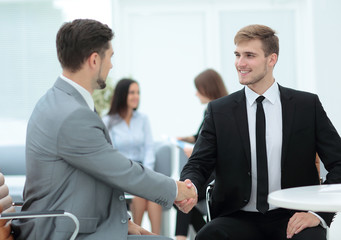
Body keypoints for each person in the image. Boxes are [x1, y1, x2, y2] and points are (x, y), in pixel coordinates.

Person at [11, 19, 196, 240]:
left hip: (77, 221)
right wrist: (177, 190)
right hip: (65, 231)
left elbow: (90, 174)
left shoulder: (60, 101)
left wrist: (124, 221)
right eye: (110, 57)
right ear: (94, 60)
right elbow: (120, 170)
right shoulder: (72, 114)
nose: (111, 65)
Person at [177, 24, 341, 240]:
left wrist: (316, 213)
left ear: (271, 59)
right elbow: (198, 164)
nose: (240, 63)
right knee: (208, 236)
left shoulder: (306, 106)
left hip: (293, 216)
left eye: (249, 55)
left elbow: (339, 163)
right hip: (237, 217)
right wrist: (189, 185)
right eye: (237, 55)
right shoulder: (219, 111)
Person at [102, 78, 163, 234]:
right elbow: (110, 153)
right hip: (122, 174)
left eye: (138, 93)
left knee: (155, 199)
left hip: (142, 170)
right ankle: (136, 236)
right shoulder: (108, 122)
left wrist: (146, 173)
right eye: (132, 92)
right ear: (122, 95)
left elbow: (149, 149)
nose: (136, 96)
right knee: (140, 196)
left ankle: (157, 237)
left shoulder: (143, 120)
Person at [175, 69, 228, 240]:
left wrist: (195, 149)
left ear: (208, 88)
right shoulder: (212, 110)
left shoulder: (220, 111)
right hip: (211, 170)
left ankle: (184, 237)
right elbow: (202, 136)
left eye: (199, 89)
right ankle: (203, 233)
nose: (196, 93)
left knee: (185, 192)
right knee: (184, 195)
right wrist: (188, 138)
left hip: (217, 171)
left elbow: (222, 144)